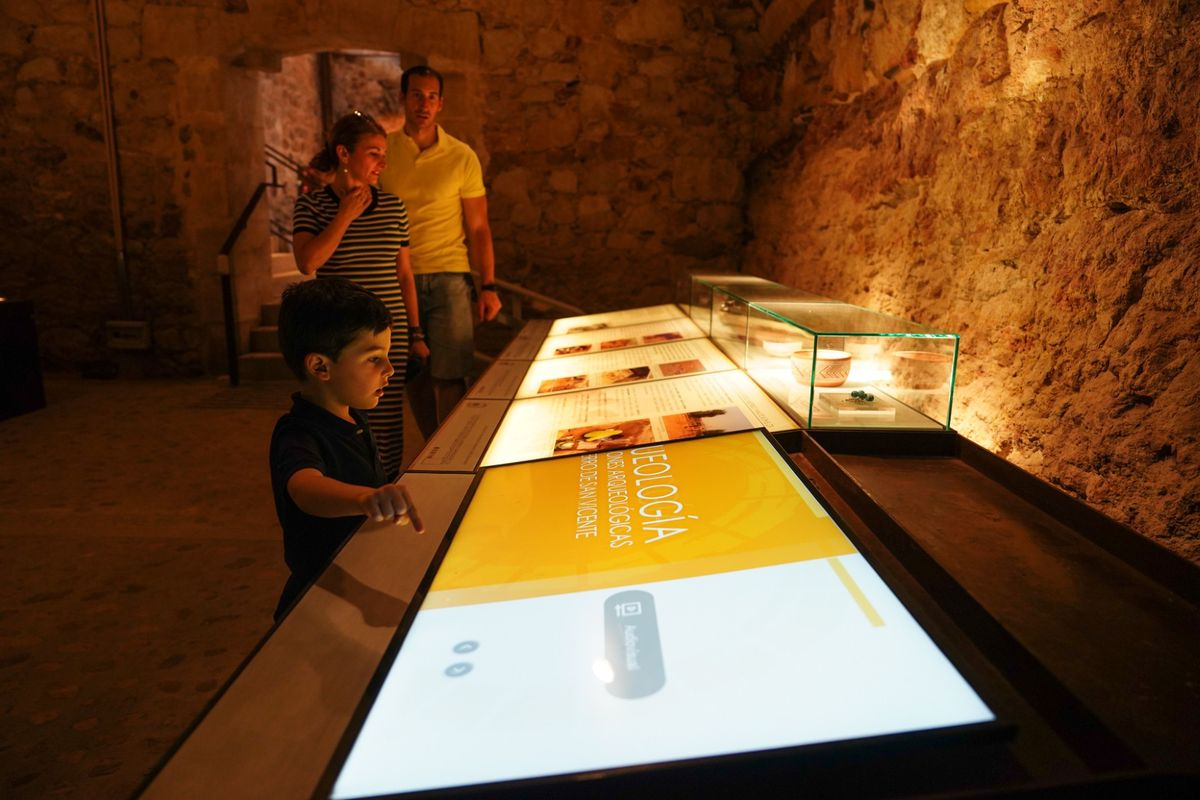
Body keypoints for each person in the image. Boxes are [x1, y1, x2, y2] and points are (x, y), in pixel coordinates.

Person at [269, 278, 424, 621]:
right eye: (373, 359)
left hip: (359, 570)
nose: (390, 369)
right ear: (320, 367)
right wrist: (363, 499)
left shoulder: (353, 417)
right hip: (320, 595)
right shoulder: (297, 433)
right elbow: (305, 487)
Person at [293, 111, 428, 479]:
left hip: (389, 334)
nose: (382, 162)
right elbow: (308, 263)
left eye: (384, 153)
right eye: (373, 153)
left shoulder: (394, 207)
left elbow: (404, 275)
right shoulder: (312, 206)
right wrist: (345, 215)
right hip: (342, 336)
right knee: (345, 419)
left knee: (387, 423)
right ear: (343, 153)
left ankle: (385, 489)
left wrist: (416, 334)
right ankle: (355, 495)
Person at [379, 65, 502, 438]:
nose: (424, 104)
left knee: (452, 372)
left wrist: (489, 284)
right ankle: (433, 446)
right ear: (403, 98)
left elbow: (478, 227)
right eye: (416, 94)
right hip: (399, 276)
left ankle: (452, 448)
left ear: (441, 104)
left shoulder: (461, 156)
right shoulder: (385, 152)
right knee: (411, 371)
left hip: (449, 273)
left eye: (432, 97)